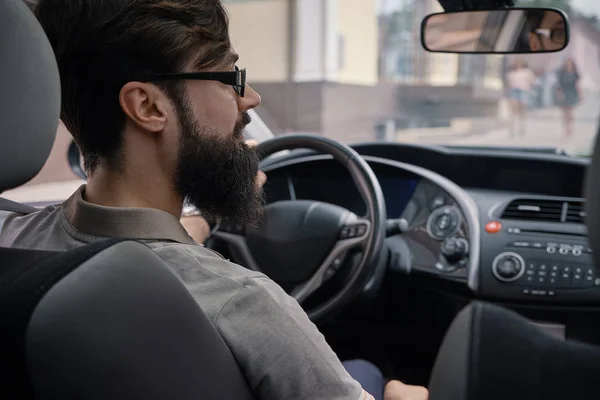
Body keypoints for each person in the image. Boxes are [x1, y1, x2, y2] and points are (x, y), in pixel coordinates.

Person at [0, 1, 428, 399]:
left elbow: (138, 241)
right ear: (147, 106)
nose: (250, 98)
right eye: (230, 78)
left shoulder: (11, 239)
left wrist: (201, 223)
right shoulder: (241, 302)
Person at [505, 59, 536, 137]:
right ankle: (512, 129)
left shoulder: (527, 72)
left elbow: (532, 81)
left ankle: (521, 127)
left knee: (522, 111)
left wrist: (528, 87)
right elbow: (508, 84)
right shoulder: (511, 73)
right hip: (513, 91)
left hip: (523, 91)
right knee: (513, 111)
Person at [556, 58, 582, 138]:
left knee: (570, 112)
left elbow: (577, 85)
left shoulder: (575, 73)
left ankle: (570, 127)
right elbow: (559, 85)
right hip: (564, 92)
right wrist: (559, 94)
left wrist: (581, 95)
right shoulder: (562, 73)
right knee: (564, 112)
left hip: (572, 93)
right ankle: (565, 128)